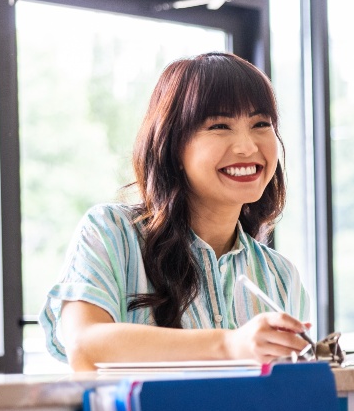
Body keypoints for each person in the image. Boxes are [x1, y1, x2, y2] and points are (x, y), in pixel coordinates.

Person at [41, 52, 311, 371]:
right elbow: (85, 345)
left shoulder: (280, 276)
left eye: (261, 124)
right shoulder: (111, 231)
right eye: (220, 126)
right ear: (173, 145)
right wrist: (229, 345)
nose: (248, 147)